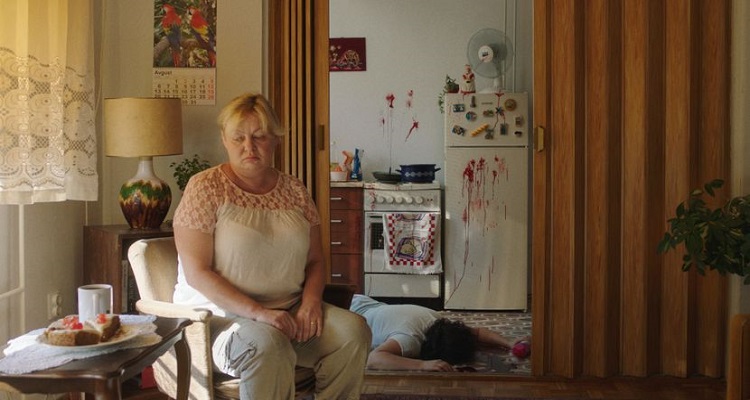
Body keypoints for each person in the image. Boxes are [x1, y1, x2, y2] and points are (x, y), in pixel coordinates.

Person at [172, 93, 371, 400]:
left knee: (353, 332)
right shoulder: (205, 187)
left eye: (259, 136)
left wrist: (310, 303)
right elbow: (197, 273)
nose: (249, 147)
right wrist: (259, 313)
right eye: (239, 137)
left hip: (289, 313)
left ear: (276, 139)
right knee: (269, 344)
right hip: (222, 320)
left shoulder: (295, 190)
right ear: (224, 139)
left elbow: (316, 260)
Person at [350, 294, 525, 372]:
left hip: (360, 301)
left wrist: (509, 343)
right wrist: (422, 365)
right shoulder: (410, 340)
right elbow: (374, 359)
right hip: (348, 313)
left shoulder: (436, 319)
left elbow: (477, 333)